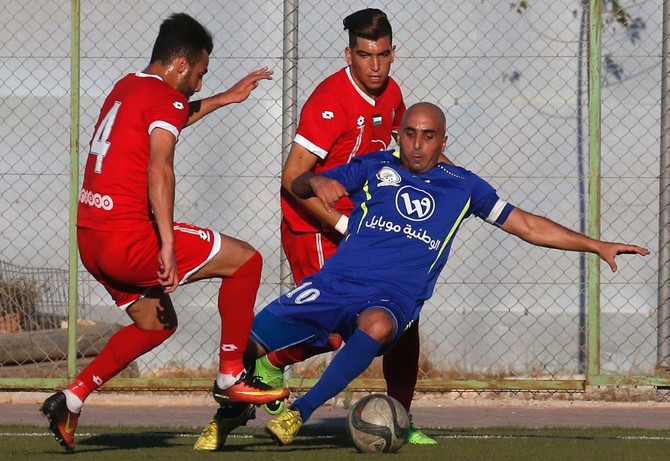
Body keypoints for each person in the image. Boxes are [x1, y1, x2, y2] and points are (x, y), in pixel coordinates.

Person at [198, 102, 650, 447]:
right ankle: (229, 413)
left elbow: (527, 225)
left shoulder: (464, 187)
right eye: (410, 133)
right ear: (399, 134)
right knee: (244, 343)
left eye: (427, 136)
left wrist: (596, 245)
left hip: (392, 297)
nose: (417, 143)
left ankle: (300, 412)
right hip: (334, 283)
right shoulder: (377, 166)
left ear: (443, 141)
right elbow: (297, 183)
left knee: (374, 326)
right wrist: (316, 182)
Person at [39, 13, 288, 452]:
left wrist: (223, 99)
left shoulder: (128, 86)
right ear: (180, 64)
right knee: (247, 260)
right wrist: (168, 244)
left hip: (90, 238)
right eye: (199, 74)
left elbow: (167, 116)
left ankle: (73, 398)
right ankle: (231, 373)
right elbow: (160, 166)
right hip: (128, 240)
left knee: (156, 323)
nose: (197, 84)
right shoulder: (168, 99)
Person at [252, 7, 436, 446]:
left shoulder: (393, 95)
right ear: (348, 54)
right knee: (337, 329)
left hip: (363, 232)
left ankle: (402, 418)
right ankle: (270, 360)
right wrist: (340, 222)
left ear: (393, 53)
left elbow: (405, 150)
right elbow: (292, 176)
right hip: (314, 228)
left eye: (383, 55)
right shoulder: (329, 100)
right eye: (364, 55)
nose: (375, 65)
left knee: (403, 320)